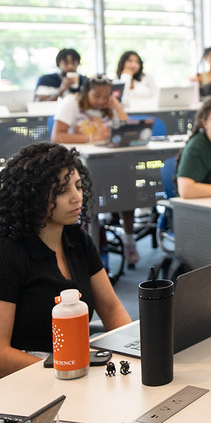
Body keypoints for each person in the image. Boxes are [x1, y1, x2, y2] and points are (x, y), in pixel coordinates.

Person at [0, 142, 131, 378]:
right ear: (33, 196)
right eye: (62, 191)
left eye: (79, 186)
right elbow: (1, 354)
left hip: (78, 368)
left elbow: (111, 309)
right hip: (30, 378)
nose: (76, 197)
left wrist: (135, 348)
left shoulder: (77, 240)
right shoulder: (9, 253)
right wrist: (63, 370)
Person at [50, 75, 141, 263]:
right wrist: (90, 138)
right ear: (86, 92)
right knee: (90, 195)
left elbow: (127, 132)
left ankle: (129, 240)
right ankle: (88, 240)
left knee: (129, 187)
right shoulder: (72, 103)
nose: (101, 101)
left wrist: (116, 106)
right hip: (82, 163)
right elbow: (57, 136)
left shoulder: (110, 106)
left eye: (105, 97)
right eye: (96, 96)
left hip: (113, 162)